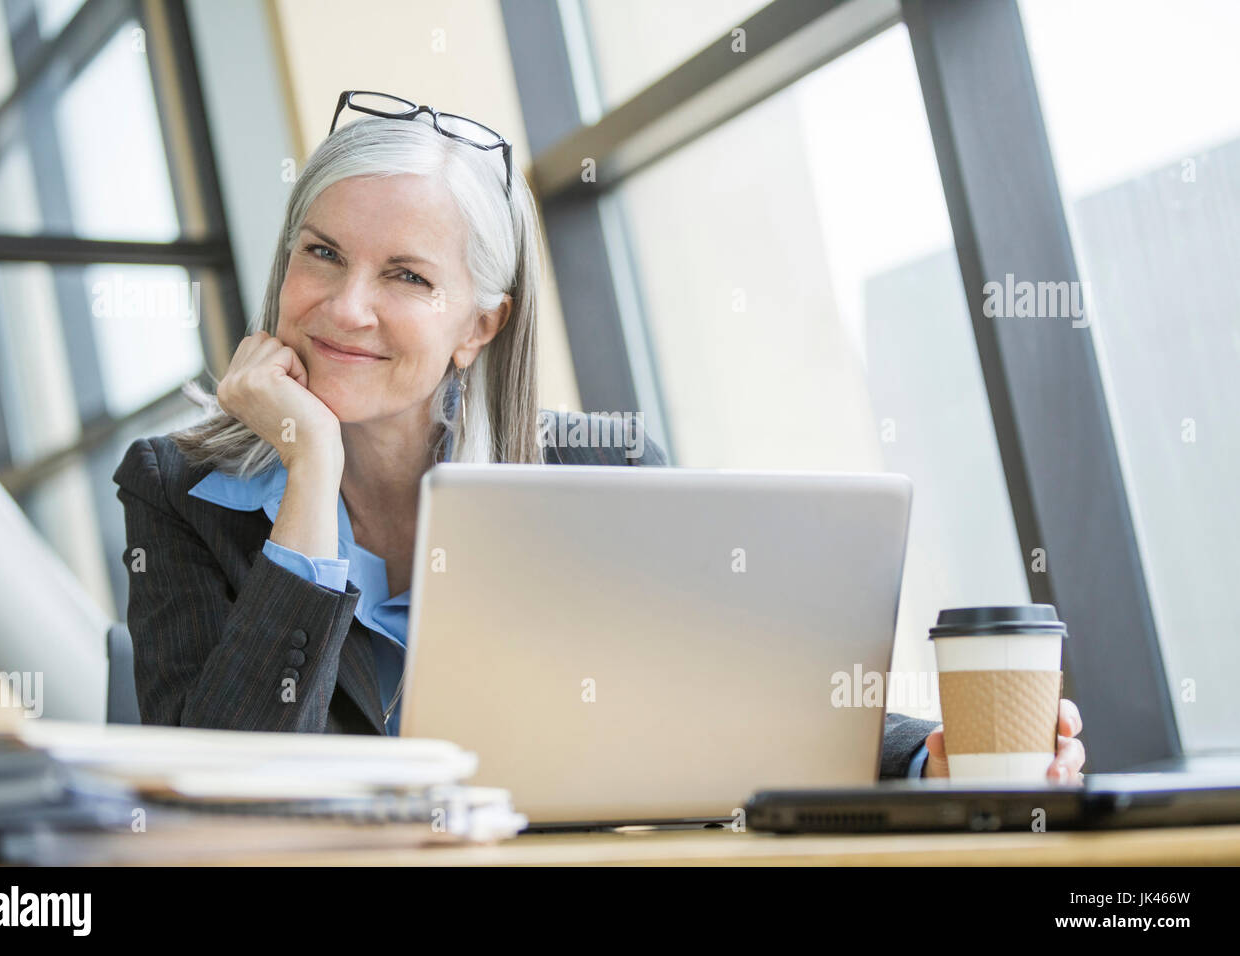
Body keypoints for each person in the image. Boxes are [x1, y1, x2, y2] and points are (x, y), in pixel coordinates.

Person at [112, 91, 1085, 782]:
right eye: (320, 253)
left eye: (406, 275)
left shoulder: (597, 466)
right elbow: (221, 780)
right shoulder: (173, 487)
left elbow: (727, 696)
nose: (345, 306)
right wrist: (309, 475)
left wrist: (924, 753)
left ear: (478, 327)